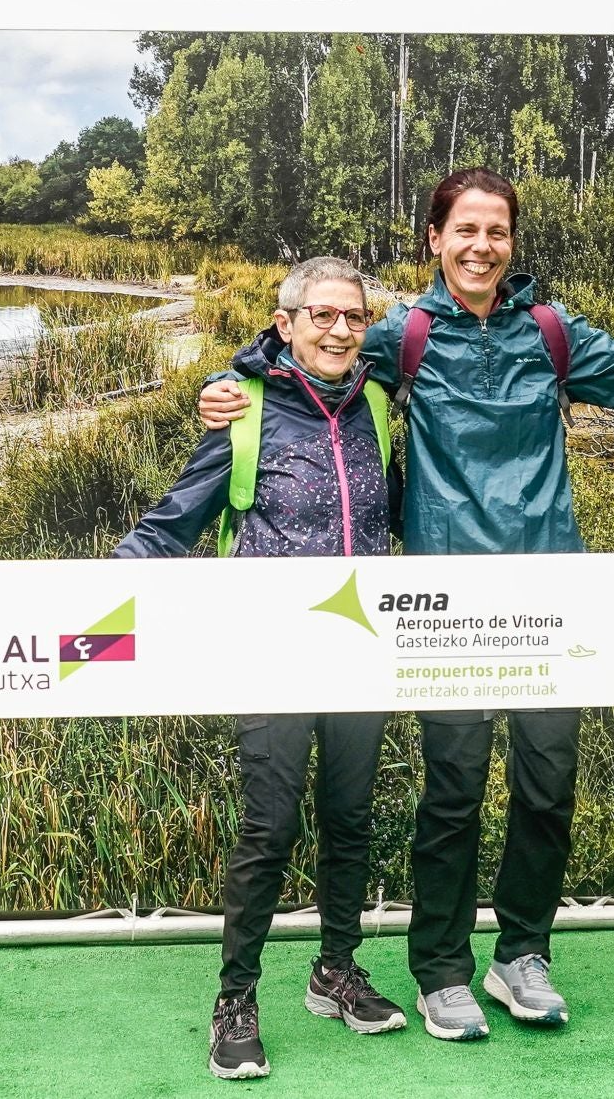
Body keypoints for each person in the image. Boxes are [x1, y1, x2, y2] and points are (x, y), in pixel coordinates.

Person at [199, 168, 614, 1040]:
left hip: (552, 598)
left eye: (498, 231)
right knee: (451, 793)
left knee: (547, 788)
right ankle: (441, 969)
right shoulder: (404, 333)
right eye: (466, 230)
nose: (482, 246)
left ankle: (522, 955)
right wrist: (236, 378)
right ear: (435, 239)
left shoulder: (552, 330)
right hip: (446, 606)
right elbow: (312, 357)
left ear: (511, 241)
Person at [116, 256, 408, 1081]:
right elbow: (173, 520)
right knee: (269, 828)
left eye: (353, 316)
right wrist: (96, 590)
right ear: (285, 323)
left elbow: (402, 508)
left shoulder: (377, 403)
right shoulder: (243, 411)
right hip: (270, 653)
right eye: (322, 315)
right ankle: (235, 1000)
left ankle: (335, 970)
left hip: (360, 651)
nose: (340, 330)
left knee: (351, 819)